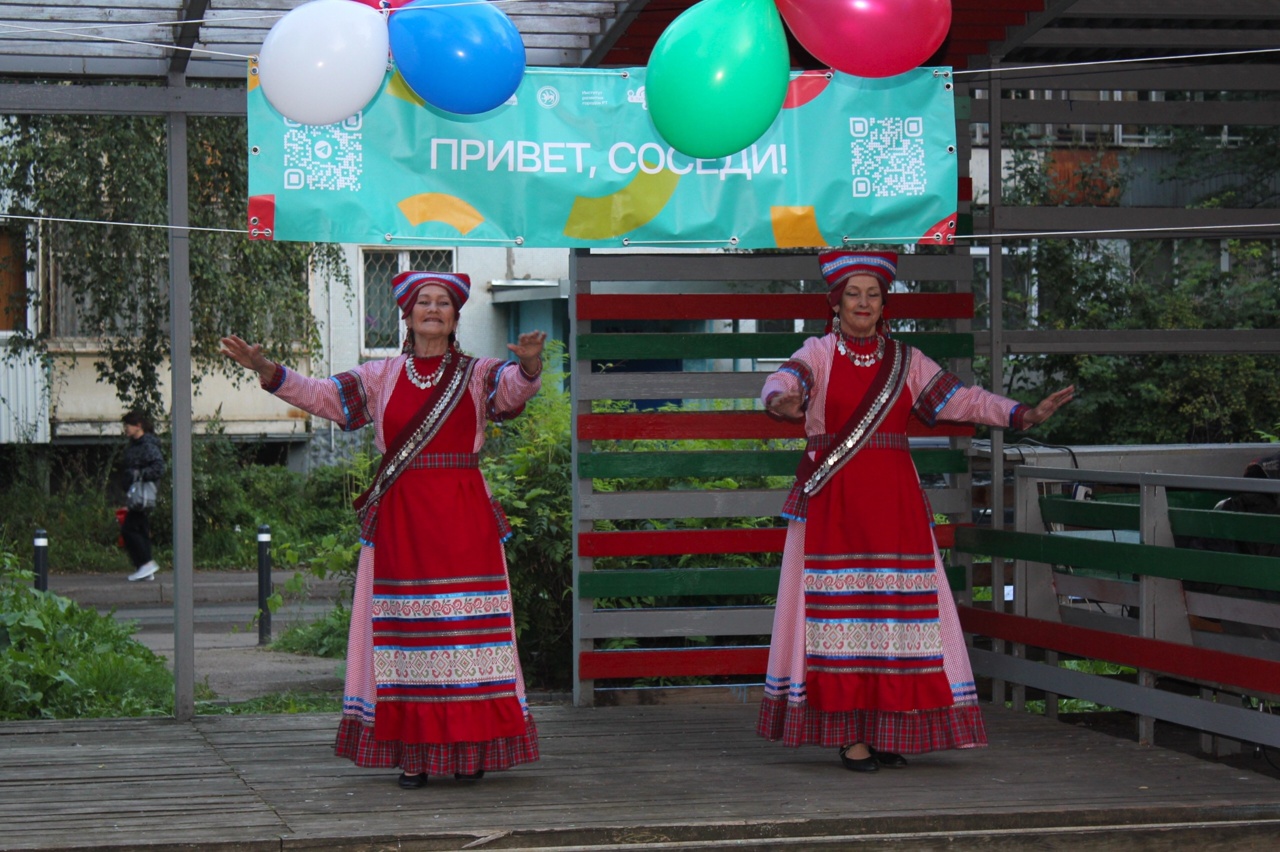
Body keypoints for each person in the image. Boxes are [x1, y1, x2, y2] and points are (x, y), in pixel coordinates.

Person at [220, 271, 547, 789]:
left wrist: (529, 366)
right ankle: (413, 755)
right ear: (407, 316)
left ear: (456, 317)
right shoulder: (380, 377)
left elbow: (511, 392)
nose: (433, 309)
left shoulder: (479, 372)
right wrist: (268, 370)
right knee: (405, 636)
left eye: (443, 303)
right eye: (424, 302)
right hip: (402, 519)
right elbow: (322, 396)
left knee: (466, 632)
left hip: (463, 519)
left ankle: (471, 749)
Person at [757, 250, 1074, 772]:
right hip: (833, 503)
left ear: (885, 304)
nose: (863, 303)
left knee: (897, 617)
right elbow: (784, 380)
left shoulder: (907, 361)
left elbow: (963, 400)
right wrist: (778, 400)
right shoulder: (817, 353)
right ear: (836, 303)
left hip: (895, 504)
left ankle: (885, 729)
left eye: (873, 294)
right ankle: (850, 737)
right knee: (840, 616)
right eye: (853, 294)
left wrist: (1021, 414)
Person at [120, 410, 164, 582]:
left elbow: (159, 467)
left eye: (128, 425)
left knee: (129, 529)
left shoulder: (147, 446)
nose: (125, 428)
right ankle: (145, 568)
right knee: (142, 529)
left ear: (138, 426)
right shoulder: (135, 445)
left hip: (141, 495)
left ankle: (146, 563)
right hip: (135, 494)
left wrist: (139, 474)